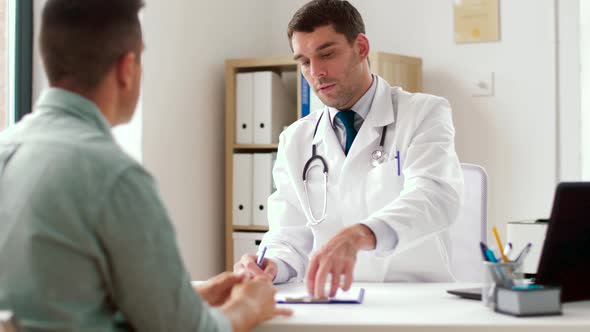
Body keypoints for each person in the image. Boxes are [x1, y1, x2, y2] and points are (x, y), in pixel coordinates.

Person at [0, 0, 290, 331]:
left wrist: (189, 298)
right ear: (126, 69)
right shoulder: (113, 176)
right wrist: (246, 307)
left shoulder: (7, 148)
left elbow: (64, 303)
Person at [235, 0, 463, 298]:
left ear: (361, 47)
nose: (316, 72)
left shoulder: (423, 113)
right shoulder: (296, 138)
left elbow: (435, 196)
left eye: (326, 54)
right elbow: (289, 236)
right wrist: (272, 264)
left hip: (414, 300)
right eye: (304, 61)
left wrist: (361, 234)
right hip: (332, 302)